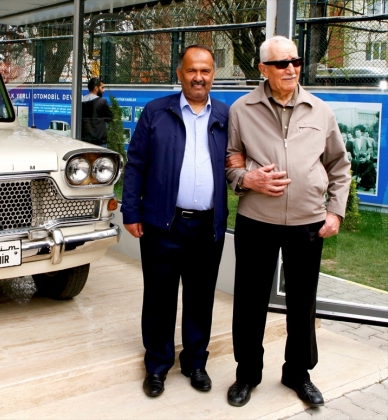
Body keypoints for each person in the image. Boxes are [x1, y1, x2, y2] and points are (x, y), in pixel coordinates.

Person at [225, 35, 351, 408]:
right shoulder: (242, 110)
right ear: (263, 69)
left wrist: (335, 210)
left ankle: (298, 373)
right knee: (249, 301)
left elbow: (339, 165)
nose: (291, 68)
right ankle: (247, 374)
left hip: (308, 222)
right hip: (256, 220)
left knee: (302, 302)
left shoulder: (320, 110)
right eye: (282, 63)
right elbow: (231, 159)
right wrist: (247, 179)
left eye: (295, 61)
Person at [121, 45, 230, 397]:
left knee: (200, 298)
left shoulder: (226, 116)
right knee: (159, 298)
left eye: (205, 71)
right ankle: (157, 366)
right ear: (180, 73)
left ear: (213, 75)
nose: (199, 77)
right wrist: (131, 211)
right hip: (162, 224)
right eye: (192, 70)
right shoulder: (156, 112)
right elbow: (136, 163)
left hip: (207, 226)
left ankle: (196, 363)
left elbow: (236, 164)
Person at [81, 77, 113, 147]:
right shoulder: (102, 102)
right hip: (99, 142)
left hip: (85, 141)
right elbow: (110, 117)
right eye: (102, 88)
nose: (104, 90)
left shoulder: (81, 102)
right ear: (96, 88)